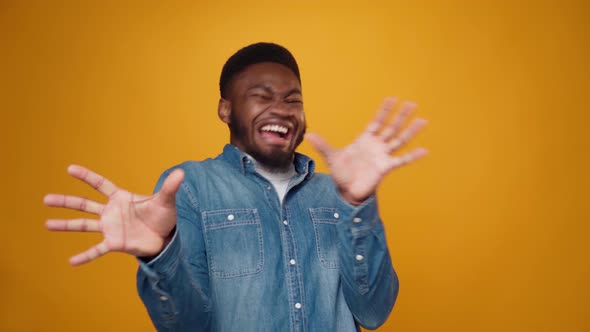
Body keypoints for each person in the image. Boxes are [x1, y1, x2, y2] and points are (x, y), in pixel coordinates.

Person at [44, 42, 428, 332]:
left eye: (292, 100)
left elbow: (374, 312)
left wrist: (358, 204)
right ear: (226, 110)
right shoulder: (190, 186)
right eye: (261, 97)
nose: (281, 109)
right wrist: (161, 253)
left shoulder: (338, 193)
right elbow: (186, 326)